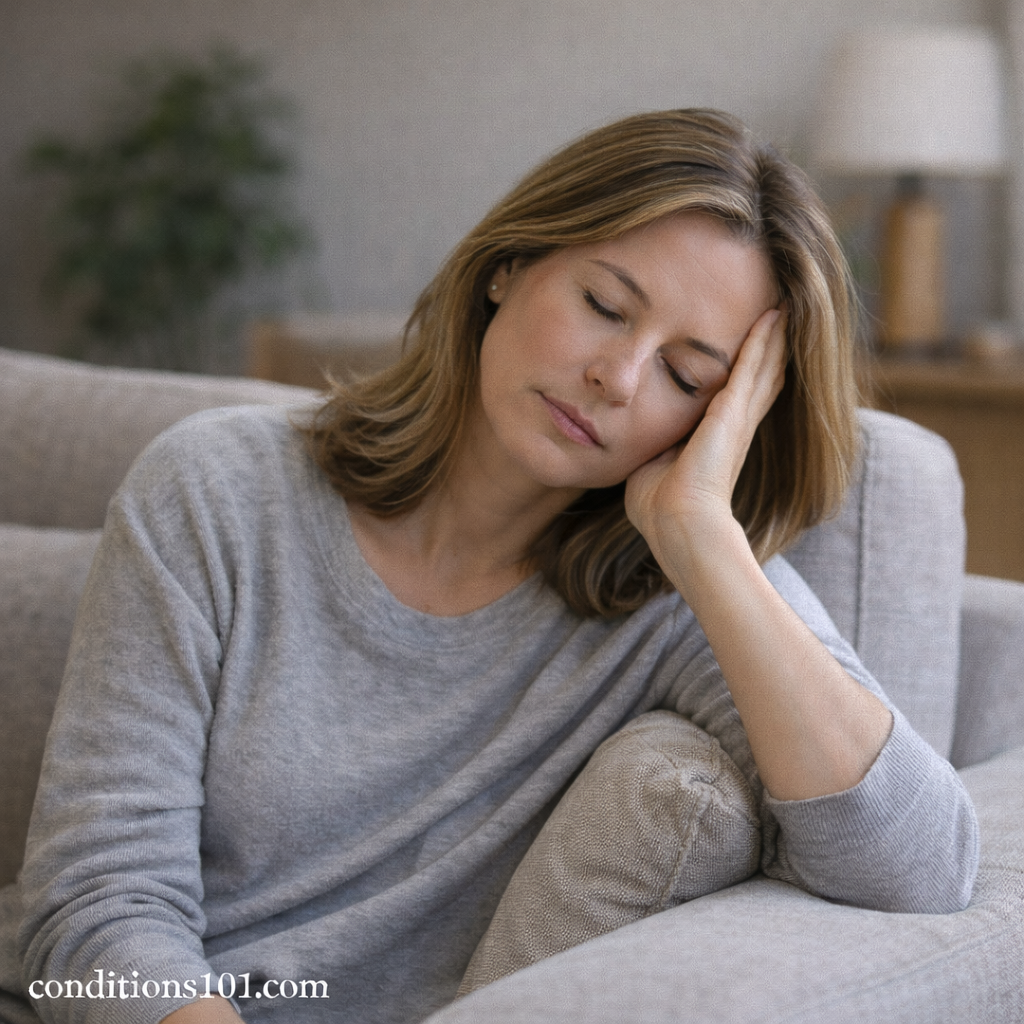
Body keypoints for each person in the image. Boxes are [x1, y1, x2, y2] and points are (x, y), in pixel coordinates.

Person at [2, 109, 977, 1024]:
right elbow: (94, 900)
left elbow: (921, 868)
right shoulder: (218, 489)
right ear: (510, 263)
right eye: (603, 304)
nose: (618, 377)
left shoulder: (679, 601)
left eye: (688, 375)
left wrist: (704, 539)